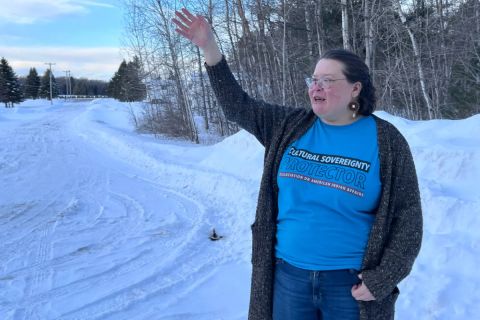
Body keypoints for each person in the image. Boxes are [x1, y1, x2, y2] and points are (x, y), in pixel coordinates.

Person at [173, 8, 422, 320]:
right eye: (313, 79)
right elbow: (237, 106)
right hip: (289, 279)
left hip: (350, 286)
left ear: (355, 88)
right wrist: (210, 48)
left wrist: (382, 279)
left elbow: (408, 219)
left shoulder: (386, 141)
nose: (315, 87)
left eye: (327, 80)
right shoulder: (289, 126)